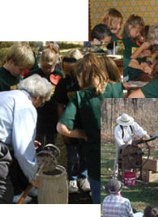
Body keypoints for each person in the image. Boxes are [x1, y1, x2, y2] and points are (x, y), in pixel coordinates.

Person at [56, 53, 124, 204]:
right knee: (118, 192)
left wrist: (80, 133)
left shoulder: (79, 96)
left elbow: (61, 127)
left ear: (82, 75)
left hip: (94, 154)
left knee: (98, 198)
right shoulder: (117, 88)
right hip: (118, 149)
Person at [0, 74, 53, 203]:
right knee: (4, 193)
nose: (41, 105)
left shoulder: (6, 95)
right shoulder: (26, 106)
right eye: (43, 101)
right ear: (38, 97)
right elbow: (23, 150)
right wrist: (34, 176)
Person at [53, 49, 90, 194]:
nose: (70, 74)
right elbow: (60, 105)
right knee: (72, 153)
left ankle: (83, 176)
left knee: (85, 152)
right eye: (66, 70)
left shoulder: (86, 81)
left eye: (72, 71)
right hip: (71, 125)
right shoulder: (63, 83)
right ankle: (72, 178)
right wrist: (63, 127)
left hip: (85, 123)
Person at [27, 44, 64, 145]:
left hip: (52, 111)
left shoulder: (59, 75)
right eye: (44, 67)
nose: (47, 70)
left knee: (51, 136)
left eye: (50, 67)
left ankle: (49, 151)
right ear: (40, 62)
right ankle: (37, 152)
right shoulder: (33, 75)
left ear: (56, 63)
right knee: (37, 136)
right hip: (36, 111)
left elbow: (61, 94)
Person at [122, 14, 145, 81]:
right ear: (129, 27)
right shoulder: (122, 42)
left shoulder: (134, 42)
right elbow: (127, 61)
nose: (138, 34)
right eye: (137, 31)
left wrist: (142, 58)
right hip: (126, 77)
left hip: (135, 77)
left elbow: (137, 59)